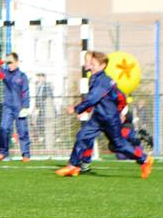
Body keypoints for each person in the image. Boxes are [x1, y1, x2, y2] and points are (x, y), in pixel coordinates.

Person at [55, 50, 153, 178]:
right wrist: (87, 110)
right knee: (82, 136)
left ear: (102, 66)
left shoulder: (104, 81)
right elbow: (99, 99)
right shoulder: (95, 78)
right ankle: (73, 166)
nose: (90, 65)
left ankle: (144, 160)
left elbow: (93, 99)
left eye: (93, 64)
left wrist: (76, 108)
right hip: (98, 117)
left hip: (110, 118)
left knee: (118, 145)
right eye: (90, 63)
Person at [0, 52, 31, 161]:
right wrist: (3, 60)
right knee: (4, 129)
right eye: (8, 63)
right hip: (7, 107)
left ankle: (26, 154)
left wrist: (25, 107)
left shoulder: (22, 76)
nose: (9, 65)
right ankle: (2, 152)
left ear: (17, 62)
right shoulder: (5, 74)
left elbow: (25, 92)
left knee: (22, 131)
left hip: (20, 107)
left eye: (11, 62)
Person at [33, 73, 56, 151]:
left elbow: (49, 97)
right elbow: (37, 99)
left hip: (46, 110)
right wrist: (36, 107)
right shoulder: (39, 87)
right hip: (41, 110)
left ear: (44, 78)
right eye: (38, 77)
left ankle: (49, 146)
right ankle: (42, 139)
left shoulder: (47, 86)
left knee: (48, 126)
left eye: (41, 77)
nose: (39, 79)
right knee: (38, 123)